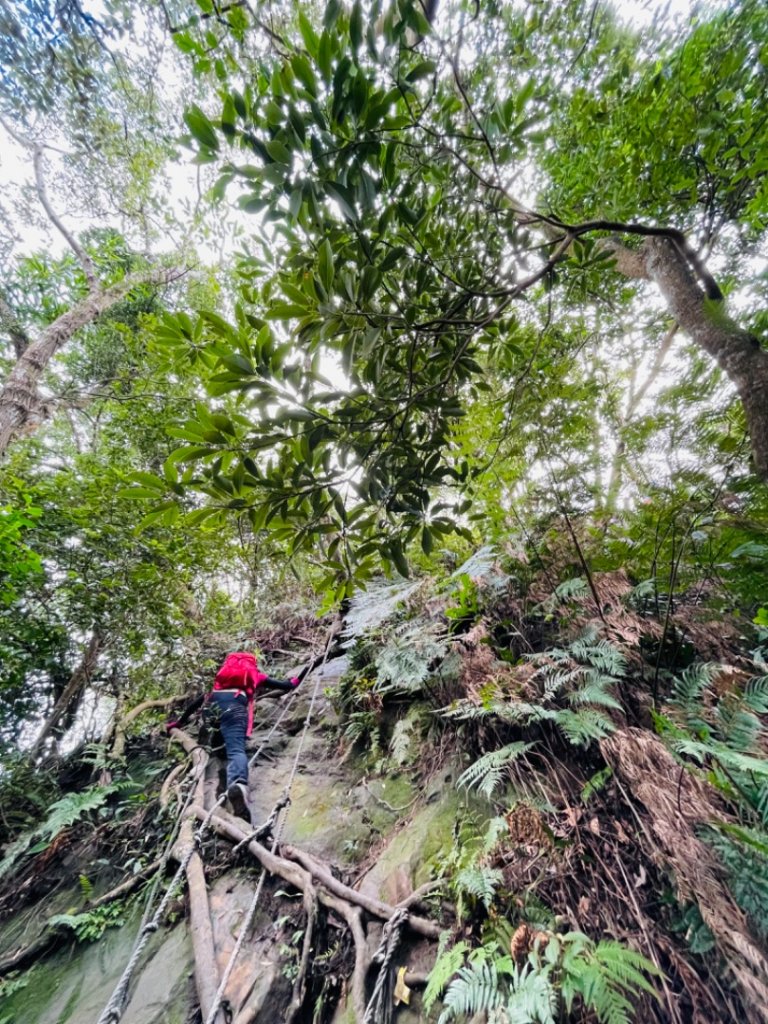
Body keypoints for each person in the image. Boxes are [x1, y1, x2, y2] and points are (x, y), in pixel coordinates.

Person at [166, 652, 301, 817]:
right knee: (236, 750)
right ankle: (238, 784)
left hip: (212, 706)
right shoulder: (254, 675)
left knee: (215, 743)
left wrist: (179, 722)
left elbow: (199, 701)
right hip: (235, 708)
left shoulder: (220, 678)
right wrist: (294, 681)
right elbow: (286, 686)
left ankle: (216, 754)